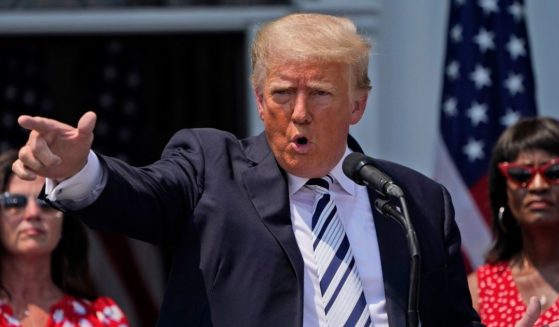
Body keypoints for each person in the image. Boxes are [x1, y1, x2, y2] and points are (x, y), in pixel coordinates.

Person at [9, 12, 549, 327]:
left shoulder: (415, 200)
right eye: (282, 93)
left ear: (357, 104)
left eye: (319, 93)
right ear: (258, 98)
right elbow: (141, 194)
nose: (298, 112)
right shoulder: (209, 166)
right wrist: (82, 169)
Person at [0, 149, 129, 326]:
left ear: (64, 225)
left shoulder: (102, 317)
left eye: (46, 203)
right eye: (14, 202)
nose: (33, 213)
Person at [468, 117, 559, 327]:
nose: (538, 186)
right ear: (503, 194)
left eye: (554, 172)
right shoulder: (478, 290)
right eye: (521, 174)